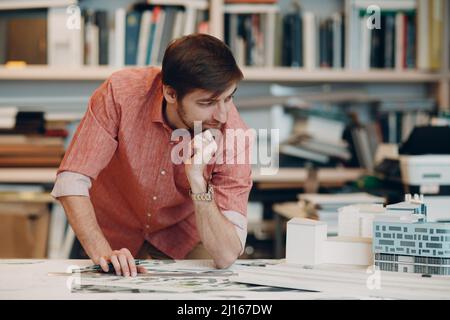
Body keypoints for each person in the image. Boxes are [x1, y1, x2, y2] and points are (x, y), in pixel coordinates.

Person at [51, 34, 253, 277]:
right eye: (207, 102)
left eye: (229, 98)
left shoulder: (233, 134)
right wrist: (102, 253)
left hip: (183, 235)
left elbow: (227, 254)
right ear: (170, 93)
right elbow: (71, 179)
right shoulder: (121, 94)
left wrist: (198, 183)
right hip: (111, 229)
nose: (221, 115)